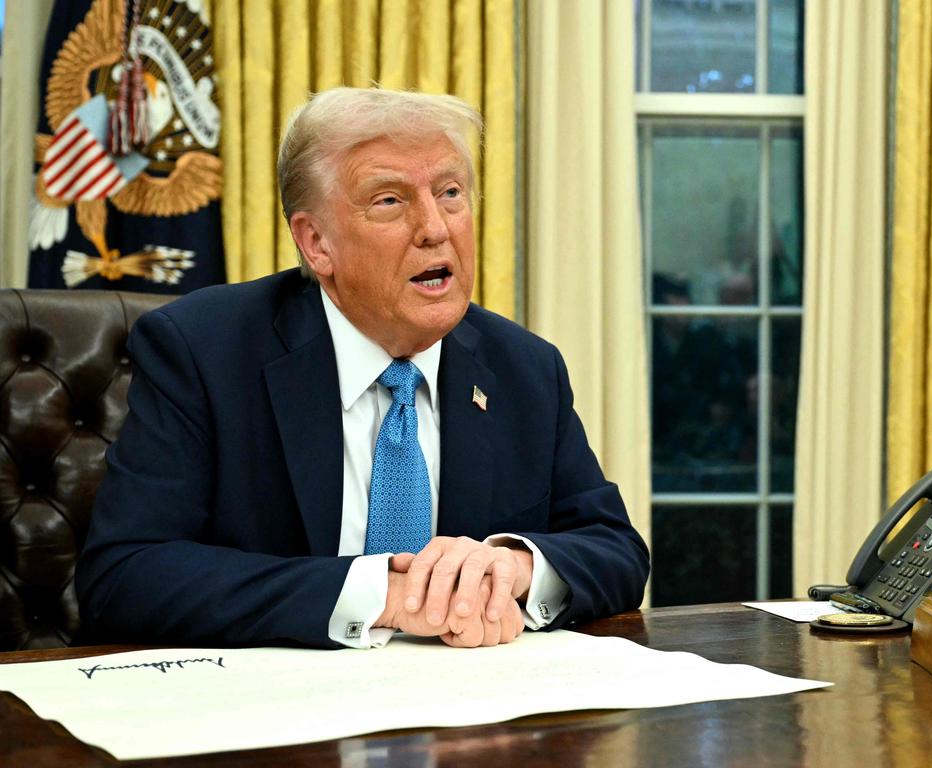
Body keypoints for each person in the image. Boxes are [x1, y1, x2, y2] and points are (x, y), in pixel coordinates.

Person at [76, 87, 650, 650]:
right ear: (316, 242)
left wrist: (514, 567)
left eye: (450, 192)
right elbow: (125, 575)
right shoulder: (203, 350)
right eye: (390, 201)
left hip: (471, 719)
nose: (435, 227)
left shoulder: (524, 368)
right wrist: (383, 595)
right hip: (280, 722)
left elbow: (616, 551)